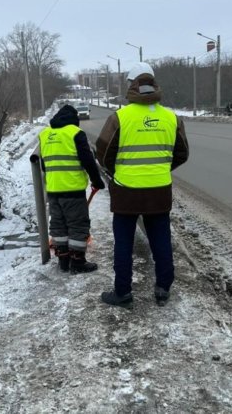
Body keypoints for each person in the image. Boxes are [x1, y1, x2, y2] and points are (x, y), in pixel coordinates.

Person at [95, 63, 189, 307]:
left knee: (124, 243)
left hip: (126, 191)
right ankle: (162, 289)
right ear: (153, 84)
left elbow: (103, 154)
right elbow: (182, 153)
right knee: (161, 240)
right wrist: (159, 170)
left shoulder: (120, 118)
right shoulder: (171, 118)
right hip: (159, 192)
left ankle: (123, 293)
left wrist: (118, 172)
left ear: (132, 85)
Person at [38, 104, 107, 273]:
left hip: (53, 190)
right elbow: (88, 161)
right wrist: (97, 181)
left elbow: (44, 165)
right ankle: (77, 262)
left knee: (59, 226)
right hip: (73, 191)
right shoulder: (75, 133)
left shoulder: (45, 134)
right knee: (77, 225)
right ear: (74, 119)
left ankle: (63, 261)